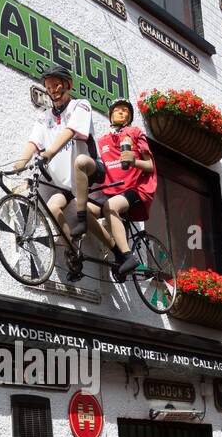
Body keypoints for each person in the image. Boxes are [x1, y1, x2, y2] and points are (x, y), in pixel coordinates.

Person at [9, 62, 104, 280]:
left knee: (83, 177)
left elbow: (71, 131)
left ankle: (119, 251)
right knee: (52, 206)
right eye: (49, 86)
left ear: (67, 85)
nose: (52, 90)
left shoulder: (80, 106)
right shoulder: (44, 116)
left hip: (86, 174)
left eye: (56, 85)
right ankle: (73, 250)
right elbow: (33, 141)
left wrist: (49, 153)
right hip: (64, 183)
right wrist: (19, 165)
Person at [68, 97, 158, 280]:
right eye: (117, 109)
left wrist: (134, 161)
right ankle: (117, 252)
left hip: (136, 188)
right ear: (110, 115)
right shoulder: (103, 141)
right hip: (112, 190)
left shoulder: (135, 132)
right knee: (84, 208)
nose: (121, 112)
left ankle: (127, 256)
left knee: (111, 206)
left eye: (126, 110)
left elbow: (150, 166)